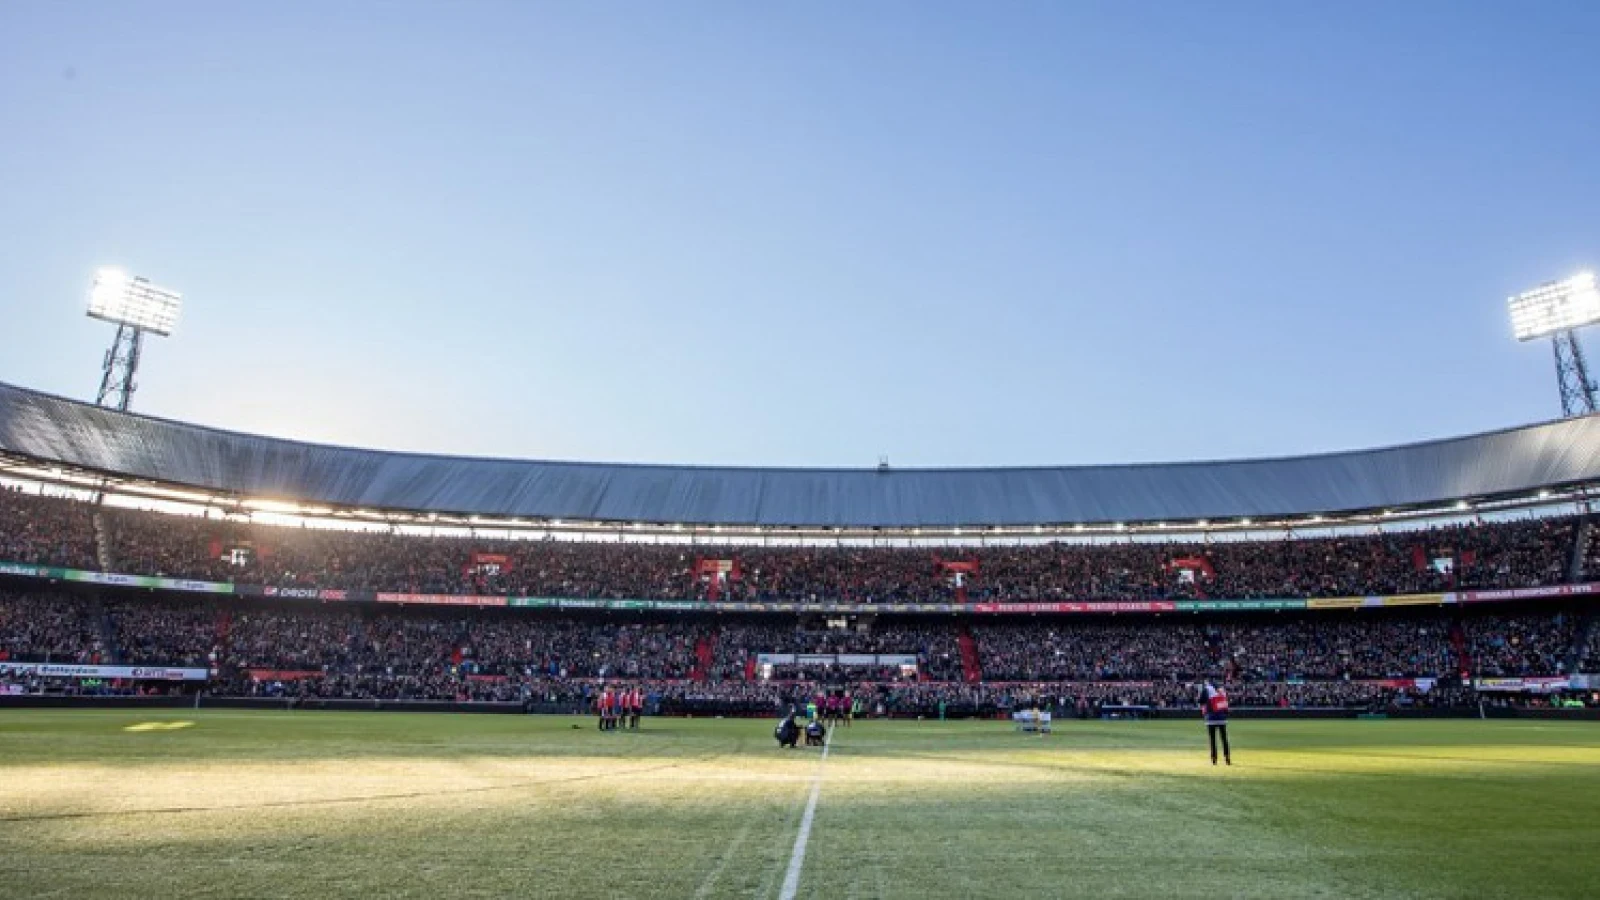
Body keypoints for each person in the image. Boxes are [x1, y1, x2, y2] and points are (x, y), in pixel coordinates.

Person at [1200, 680, 1232, 765]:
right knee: (1224, 738)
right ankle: (1227, 758)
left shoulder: (1206, 689)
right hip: (1222, 717)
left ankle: (1214, 759)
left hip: (1211, 717)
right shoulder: (1222, 690)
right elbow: (1226, 704)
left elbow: (1201, 701)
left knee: (1212, 739)